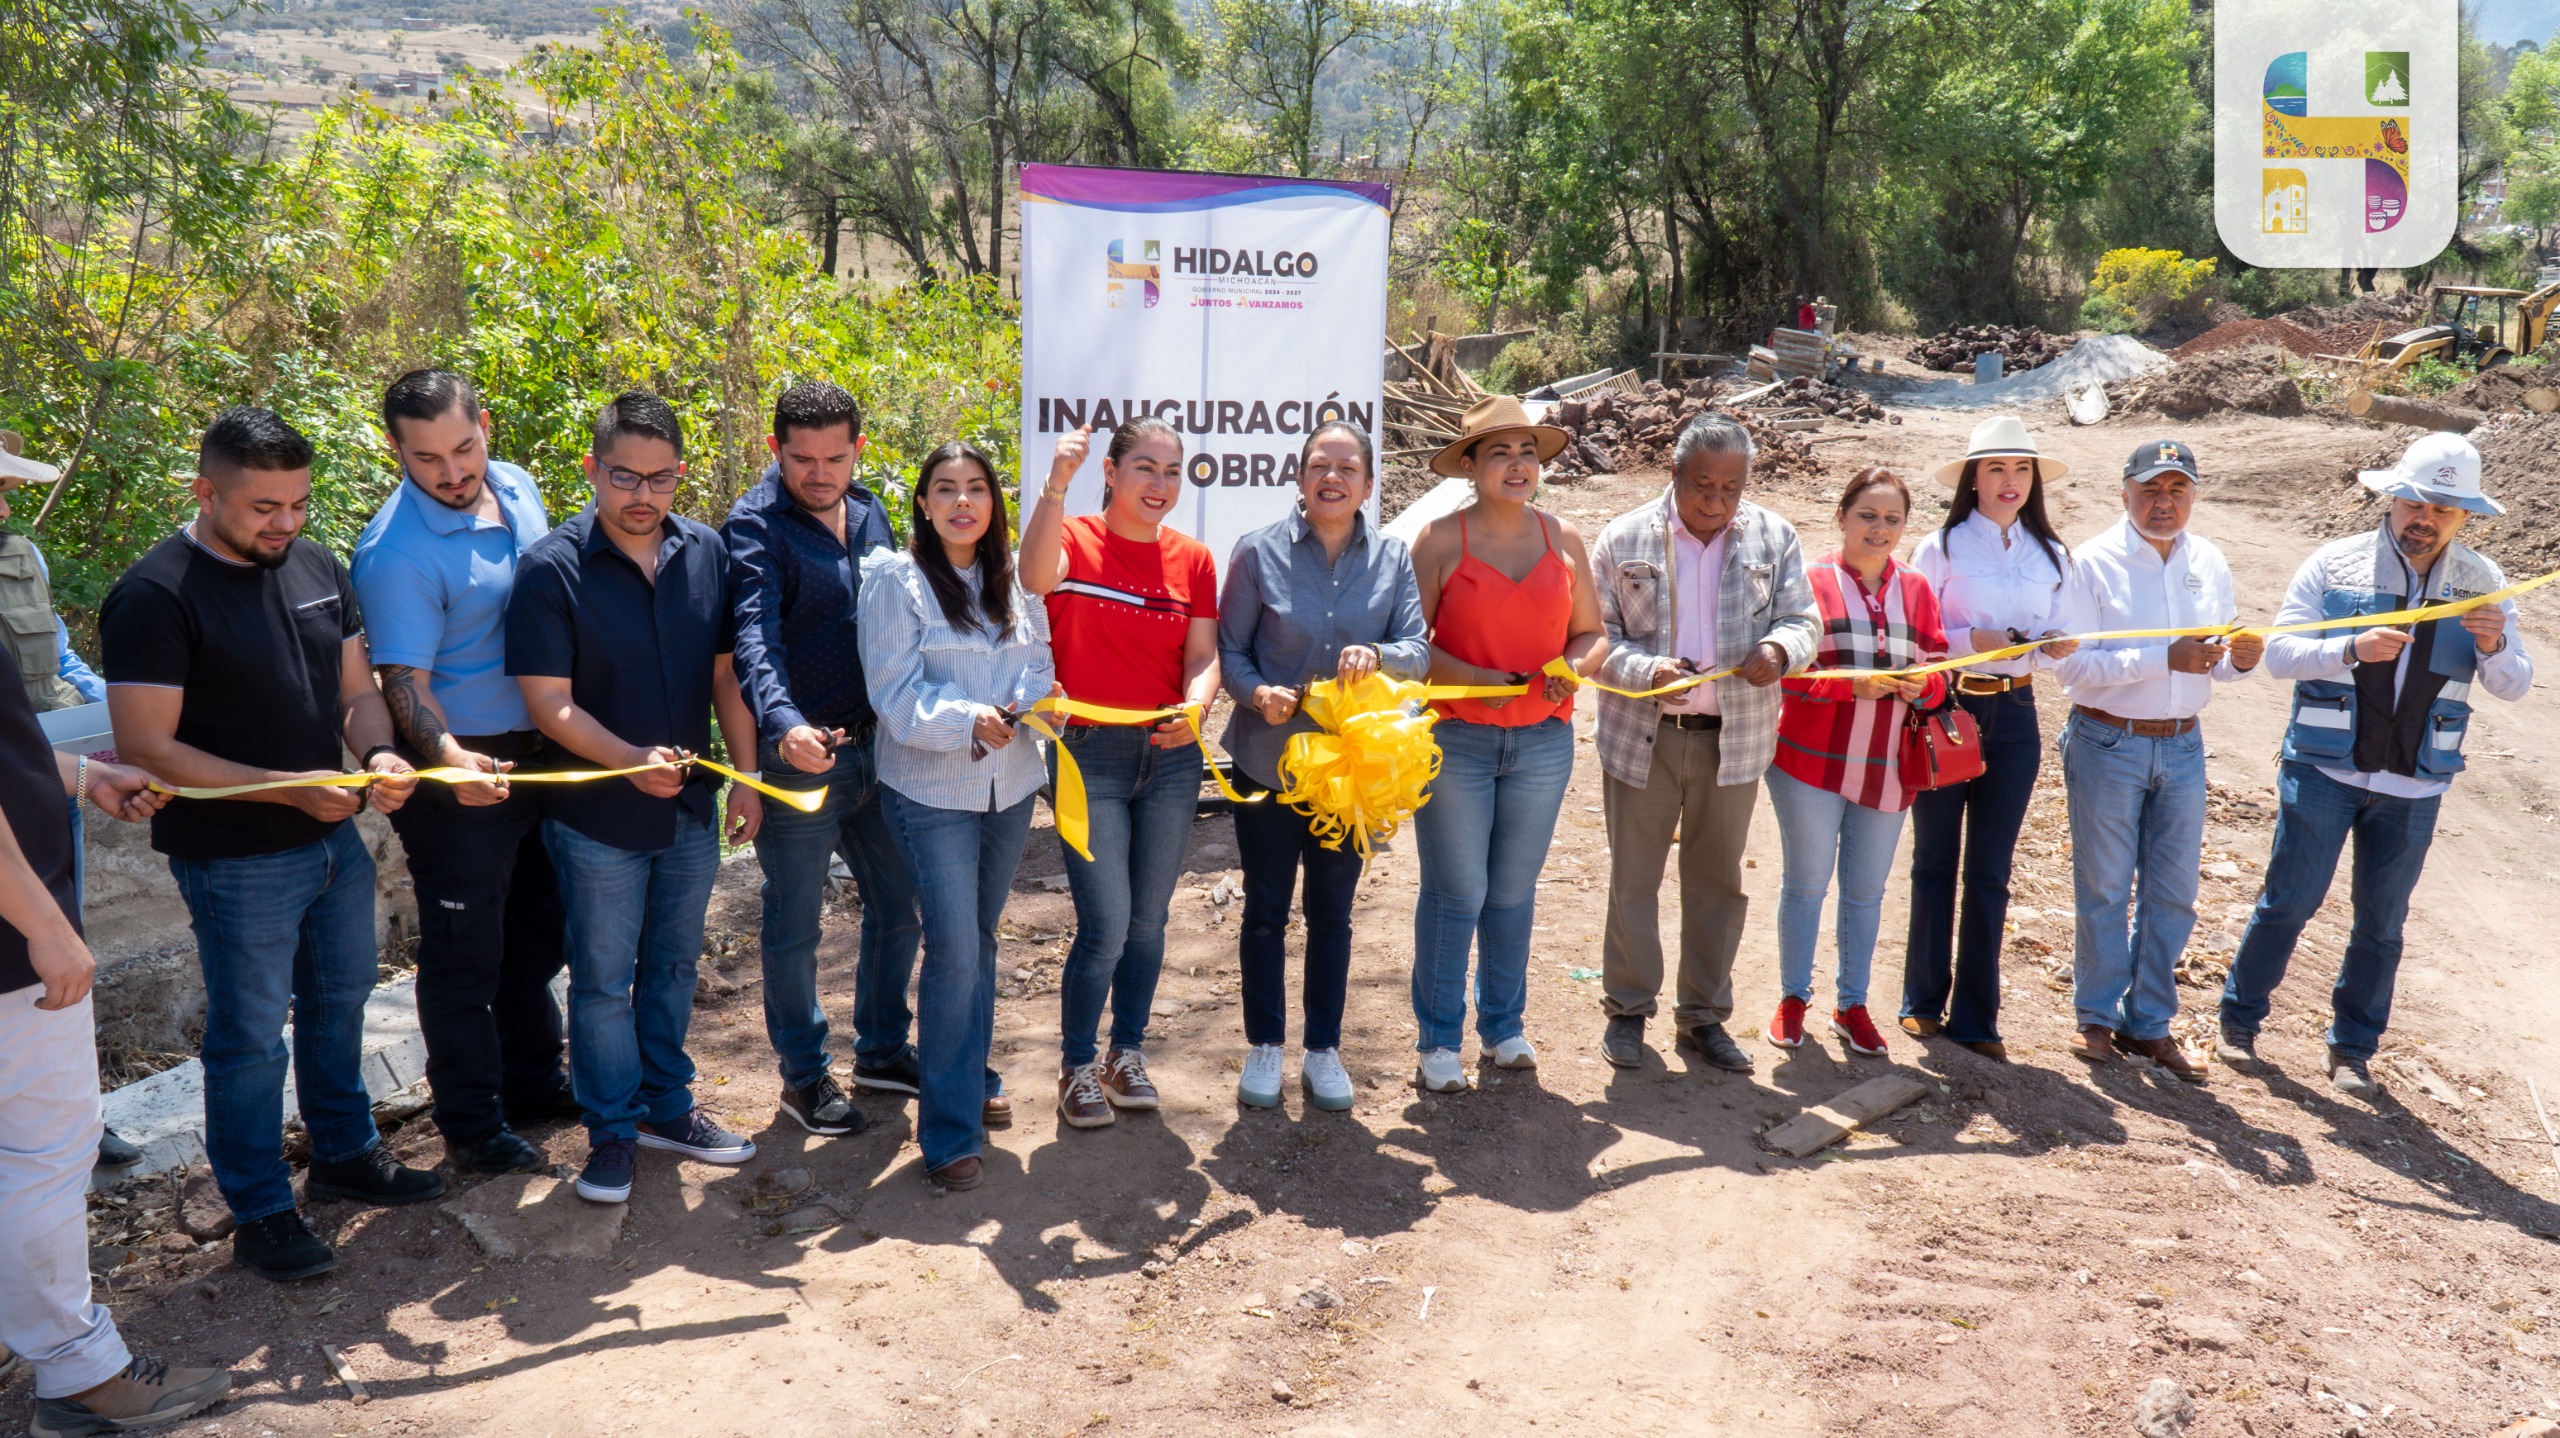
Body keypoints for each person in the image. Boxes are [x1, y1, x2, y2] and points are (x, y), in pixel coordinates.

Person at [100, 407, 438, 1282]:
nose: (284, 524)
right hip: (233, 856)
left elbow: (355, 692)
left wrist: (381, 751)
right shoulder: (154, 594)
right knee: (251, 1038)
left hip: (332, 840)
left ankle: (345, 1155)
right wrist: (291, 788)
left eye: (297, 504)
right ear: (205, 491)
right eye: (263, 508)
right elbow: (146, 745)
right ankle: (259, 1209)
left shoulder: (316, 564)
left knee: (342, 1001)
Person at [506, 392, 765, 1205]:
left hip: (689, 809)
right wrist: (627, 763)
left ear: (680, 477)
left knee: (674, 966)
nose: (642, 495)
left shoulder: (707, 552)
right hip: (596, 820)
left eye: (660, 479)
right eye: (624, 477)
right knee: (602, 981)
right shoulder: (550, 569)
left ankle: (670, 1109)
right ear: (592, 470)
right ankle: (612, 1132)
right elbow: (547, 703)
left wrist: (747, 778)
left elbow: (726, 676)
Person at [2216, 433, 2531, 1097]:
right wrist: (2349, 648)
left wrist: (2497, 645)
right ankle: (2238, 1022)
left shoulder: (2484, 584)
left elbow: (2514, 685)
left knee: (2382, 925)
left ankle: (2353, 1050)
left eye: (2444, 510)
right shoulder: (2333, 565)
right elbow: (2278, 657)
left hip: (2415, 786)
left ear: (2465, 516)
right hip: (2323, 772)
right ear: (2392, 497)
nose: (2426, 518)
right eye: (2416, 502)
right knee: (2289, 902)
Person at [2, 637, 234, 1434]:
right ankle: (79, 1376)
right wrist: (42, 924)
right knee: (44, 1151)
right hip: (9, 955)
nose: (5, 504)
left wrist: (81, 773)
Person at [350, 370, 572, 1178]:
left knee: (539, 928)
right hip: (455, 763)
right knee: (464, 950)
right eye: (428, 458)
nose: (452, 472)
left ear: (486, 424)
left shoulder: (516, 486)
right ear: (395, 452)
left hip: (541, 754)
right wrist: (448, 761)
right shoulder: (394, 552)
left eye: (464, 447)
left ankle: (535, 1082)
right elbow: (402, 685)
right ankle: (473, 1125)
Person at [1589, 413, 1818, 1074]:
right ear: (1674, 474)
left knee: (1718, 882)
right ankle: (1628, 1011)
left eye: (1730, 488)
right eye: (1701, 485)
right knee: (1634, 876)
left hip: (1736, 741)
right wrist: (1644, 672)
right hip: (1644, 737)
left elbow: (1803, 617)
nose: (1714, 501)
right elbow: (1597, 638)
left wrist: (1780, 648)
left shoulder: (1775, 538)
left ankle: (1703, 1018)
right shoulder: (1624, 537)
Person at [723, 379, 919, 1135]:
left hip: (882, 752)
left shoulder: (871, 510)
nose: (818, 473)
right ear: (775, 451)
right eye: (801, 458)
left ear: (856, 451)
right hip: (800, 759)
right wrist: (782, 725)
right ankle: (804, 1077)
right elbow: (754, 639)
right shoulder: (754, 526)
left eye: (833, 457)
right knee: (796, 922)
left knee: (899, 904)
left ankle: (881, 1050)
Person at [1214, 421, 1428, 1110]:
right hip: (1269, 763)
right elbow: (1231, 652)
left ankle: (1323, 1050)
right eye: (1318, 465)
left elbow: (1419, 651)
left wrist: (1381, 654)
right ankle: (1264, 1048)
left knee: (1331, 912)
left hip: (1350, 774)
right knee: (1266, 911)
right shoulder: (1258, 553)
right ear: (1300, 477)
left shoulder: (1393, 557)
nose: (1331, 477)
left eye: (1346, 467)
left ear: (1369, 482)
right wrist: (1255, 693)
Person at [858, 443, 1054, 1191]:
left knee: (977, 939)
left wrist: (1019, 708)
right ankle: (947, 1135)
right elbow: (895, 695)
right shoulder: (896, 582)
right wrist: (973, 718)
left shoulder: (1012, 578)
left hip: (1009, 788)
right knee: (954, 949)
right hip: (930, 789)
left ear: (994, 505)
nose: (963, 503)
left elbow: (1040, 664)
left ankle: (967, 1083)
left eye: (977, 490)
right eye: (947, 490)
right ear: (924, 504)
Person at [1018, 418, 1219, 1131]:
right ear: (1111, 471)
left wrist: (1196, 708)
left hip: (1169, 758)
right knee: (1104, 924)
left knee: (1148, 922)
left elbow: (1202, 657)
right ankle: (1076, 1066)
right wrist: (1054, 486)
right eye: (1145, 468)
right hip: (1088, 755)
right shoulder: (1073, 537)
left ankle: (1124, 1053)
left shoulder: (1193, 558)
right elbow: (1033, 578)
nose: (1160, 485)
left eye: (1171, 472)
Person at [1405, 396, 1608, 1092]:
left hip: (1543, 744)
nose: (1518, 465)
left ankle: (1503, 1027)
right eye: (1500, 453)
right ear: (1471, 467)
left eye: (1528, 452)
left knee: (1512, 892)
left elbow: (1593, 636)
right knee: (1457, 891)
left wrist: (1573, 669)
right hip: (1456, 741)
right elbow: (1408, 650)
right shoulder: (1438, 541)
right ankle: (1437, 1039)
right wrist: (1471, 679)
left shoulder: (1565, 539)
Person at [2054, 438, 2264, 1082]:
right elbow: (2072, 667)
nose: (2163, 503)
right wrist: (2160, 658)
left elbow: (2215, 661)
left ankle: (2149, 1023)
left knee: (2173, 894)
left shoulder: (2208, 561)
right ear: (2124, 493)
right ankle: (2096, 1016)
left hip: (2182, 742)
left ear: (2195, 495)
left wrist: (2237, 661)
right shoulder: (2090, 563)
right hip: (2107, 739)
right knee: (2106, 886)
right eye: (2150, 490)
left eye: (2177, 490)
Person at [1902, 417, 2080, 1060]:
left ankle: (1978, 1016)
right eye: (1997, 469)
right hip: (1947, 709)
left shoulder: (2054, 555)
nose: (2010, 482)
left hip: (2017, 715)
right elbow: (1917, 639)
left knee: (1991, 872)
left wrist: (2054, 648)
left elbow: (2064, 637)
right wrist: (1966, 644)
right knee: (1934, 861)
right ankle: (1922, 999)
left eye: (2021, 470)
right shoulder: (1940, 548)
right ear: (1972, 479)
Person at [1764, 467, 1949, 1056]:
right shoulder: (1808, 581)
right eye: (1868, 515)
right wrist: (1850, 689)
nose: (1880, 529)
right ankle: (1794, 999)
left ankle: (1853, 1004)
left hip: (1888, 768)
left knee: (1866, 893)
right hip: (1809, 762)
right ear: (1842, 516)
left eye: (1893, 519)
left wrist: (1929, 686)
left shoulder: (1917, 587)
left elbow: (1941, 663)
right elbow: (1782, 677)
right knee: (1807, 883)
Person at [0, 432, 138, 1170]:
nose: (3, 503)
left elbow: (59, 654)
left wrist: (105, 727)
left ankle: (79, 1111)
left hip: (46, 777)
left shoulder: (24, 556)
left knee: (66, 955)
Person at [0, 431, 106, 714]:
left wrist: (116, 709)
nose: (4, 511)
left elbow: (59, 658)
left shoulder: (23, 556)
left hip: (49, 733)